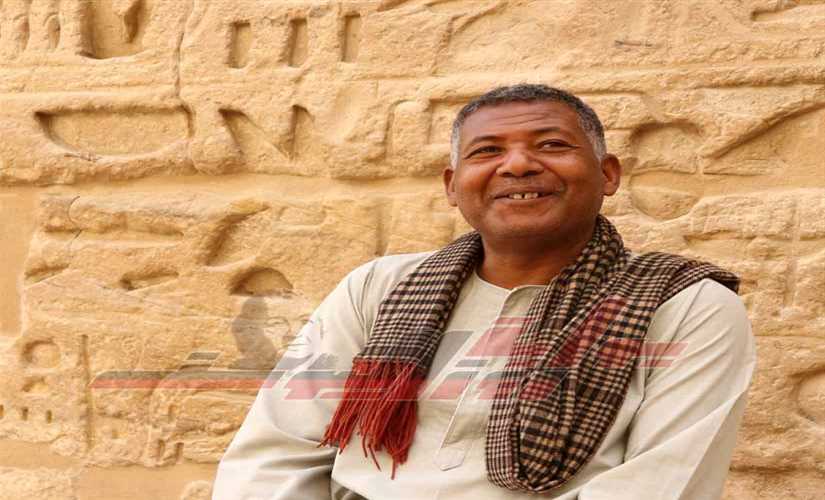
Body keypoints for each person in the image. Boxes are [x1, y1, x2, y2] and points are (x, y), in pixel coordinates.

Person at [212, 84, 755, 500]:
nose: (517, 164)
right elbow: (276, 456)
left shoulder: (687, 307)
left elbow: (660, 486)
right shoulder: (378, 288)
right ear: (452, 186)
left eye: (552, 145)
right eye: (487, 150)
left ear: (607, 175)